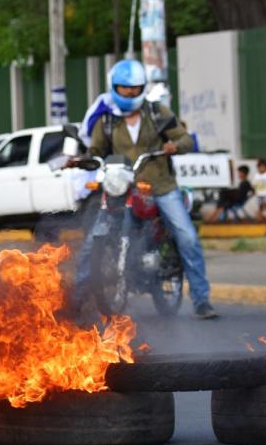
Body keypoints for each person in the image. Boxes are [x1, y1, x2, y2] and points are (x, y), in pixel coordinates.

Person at [72, 58, 217, 319]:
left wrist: (176, 146)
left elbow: (184, 137)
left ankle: (201, 299)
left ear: (142, 87)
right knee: (92, 239)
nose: (129, 92)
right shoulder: (106, 120)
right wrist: (81, 159)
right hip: (121, 185)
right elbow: (96, 151)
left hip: (159, 185)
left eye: (135, 87)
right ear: (114, 86)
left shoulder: (156, 113)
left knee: (186, 236)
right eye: (124, 87)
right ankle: (77, 300)